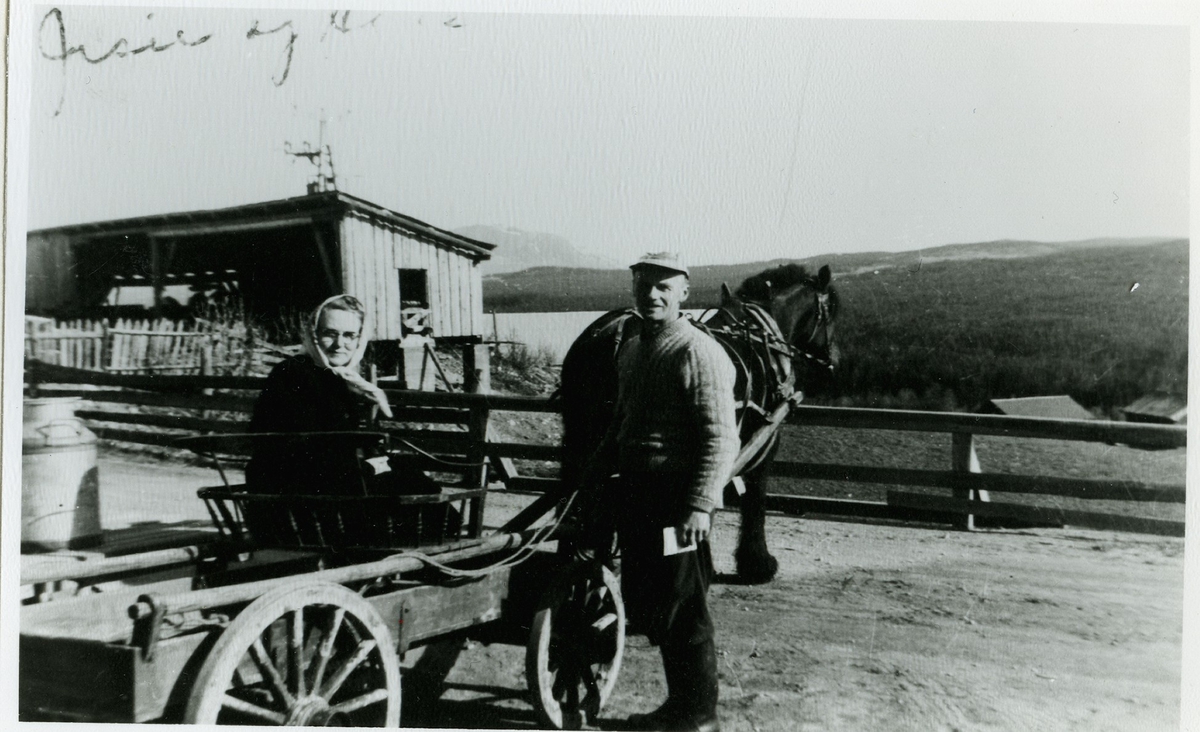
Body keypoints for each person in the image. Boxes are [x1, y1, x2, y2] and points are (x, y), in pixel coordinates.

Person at [582, 252, 738, 732]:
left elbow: (720, 437)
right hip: (639, 499)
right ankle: (679, 707)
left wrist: (700, 505)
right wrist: (599, 462)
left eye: (664, 287)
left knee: (684, 601)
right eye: (644, 285)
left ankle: (699, 716)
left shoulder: (699, 352)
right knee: (654, 600)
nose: (652, 294)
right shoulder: (632, 348)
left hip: (677, 505)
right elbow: (624, 421)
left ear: (684, 293)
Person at [246, 294, 394, 496]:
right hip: (292, 488)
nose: (339, 344)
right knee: (408, 484)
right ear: (313, 334)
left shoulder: (342, 377)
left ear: (360, 338)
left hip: (327, 479)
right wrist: (368, 466)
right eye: (330, 334)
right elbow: (296, 446)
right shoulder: (292, 373)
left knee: (409, 478)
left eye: (349, 335)